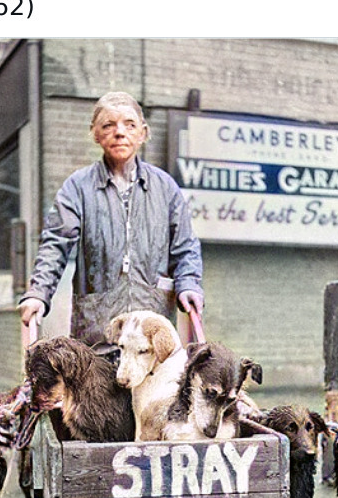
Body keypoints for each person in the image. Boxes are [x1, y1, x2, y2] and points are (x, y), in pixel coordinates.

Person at [18, 91, 204, 344]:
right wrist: (38, 294)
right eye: (108, 125)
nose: (119, 132)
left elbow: (185, 248)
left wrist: (189, 284)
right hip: (97, 334)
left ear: (143, 133)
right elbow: (55, 245)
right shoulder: (78, 187)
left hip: (150, 336)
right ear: (95, 133)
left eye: (130, 125)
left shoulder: (166, 188)